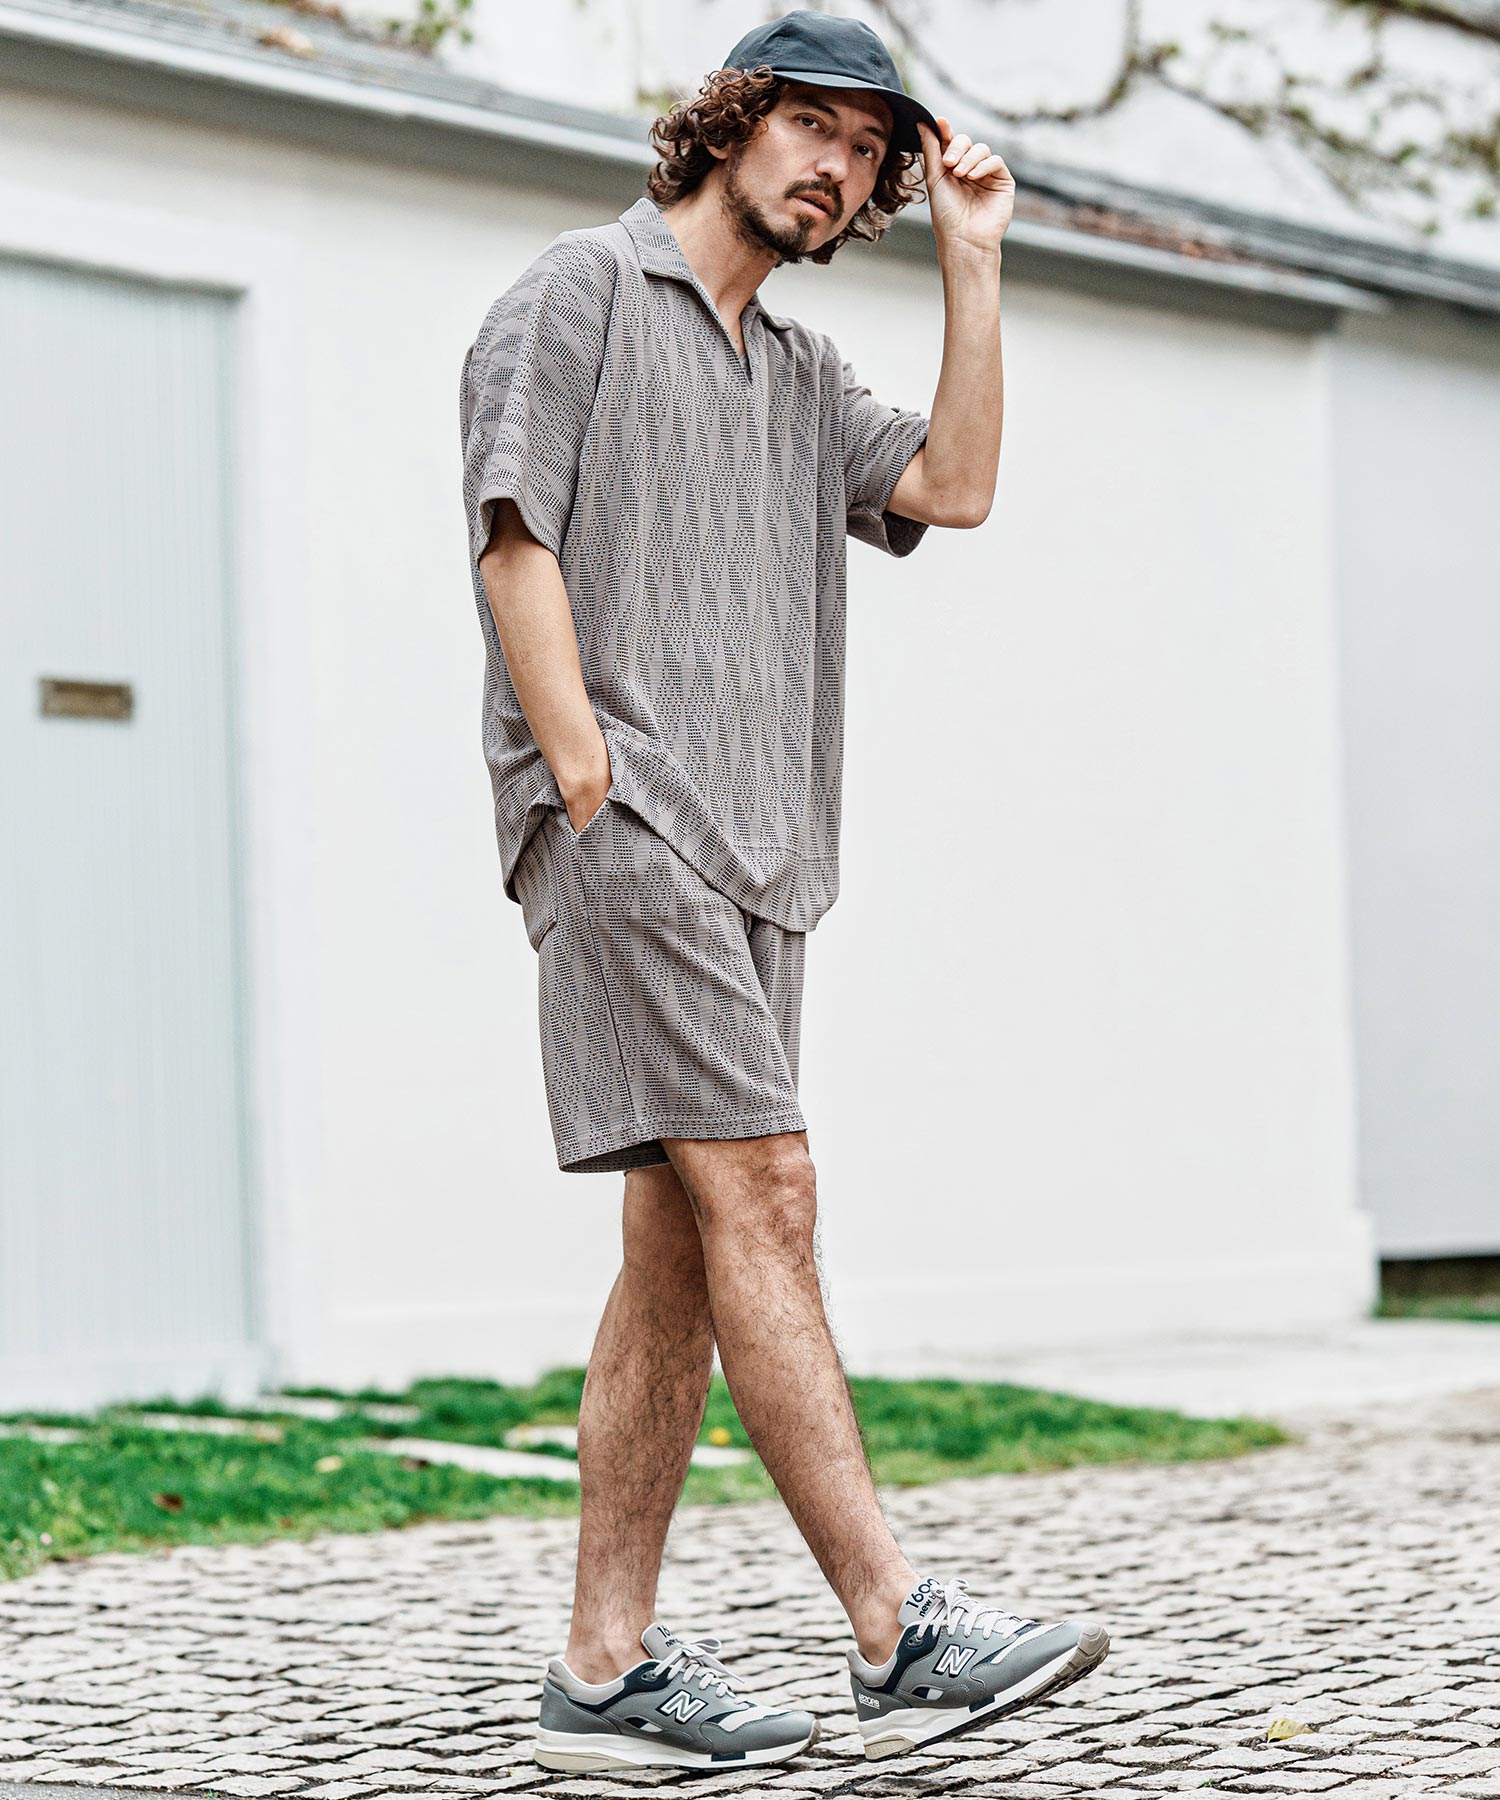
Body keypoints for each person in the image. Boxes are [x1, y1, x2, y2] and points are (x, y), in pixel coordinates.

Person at [458, 7, 1108, 1774]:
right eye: (814, 125)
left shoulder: (803, 374)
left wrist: (974, 255)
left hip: (765, 857)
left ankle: (604, 1669)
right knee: (773, 1190)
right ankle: (898, 1626)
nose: (839, 167)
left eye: (870, 152)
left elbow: (953, 485)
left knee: (678, 1249)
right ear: (733, 121)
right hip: (632, 825)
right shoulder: (581, 293)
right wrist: (583, 777)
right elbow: (514, 534)